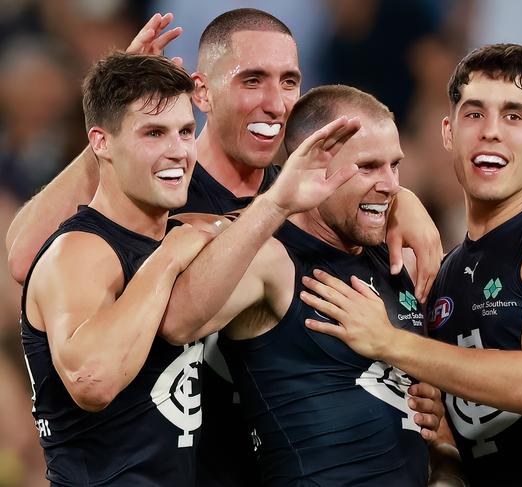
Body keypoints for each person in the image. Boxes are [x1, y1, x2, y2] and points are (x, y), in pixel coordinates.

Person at [7, 9, 444, 486]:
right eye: (252, 81)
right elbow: (30, 255)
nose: (276, 103)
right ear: (202, 93)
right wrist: (116, 127)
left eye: (290, 81)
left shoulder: (301, 201)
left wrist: (397, 199)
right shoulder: (162, 192)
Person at [300, 44, 522, 486]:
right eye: (474, 114)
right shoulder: (443, 274)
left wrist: (389, 342)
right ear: (448, 132)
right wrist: (444, 453)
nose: (491, 131)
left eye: (514, 116)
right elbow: (469, 433)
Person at [158, 84, 439, 486]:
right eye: (369, 166)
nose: (391, 184)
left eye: (395, 165)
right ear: (313, 166)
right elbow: (177, 322)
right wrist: (276, 204)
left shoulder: (395, 253)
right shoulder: (274, 259)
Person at [20, 52, 212, 486]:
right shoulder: (79, 251)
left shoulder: (181, 233)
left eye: (185, 131)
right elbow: (92, 380)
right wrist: (167, 258)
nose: (178, 151)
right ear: (102, 142)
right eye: (154, 133)